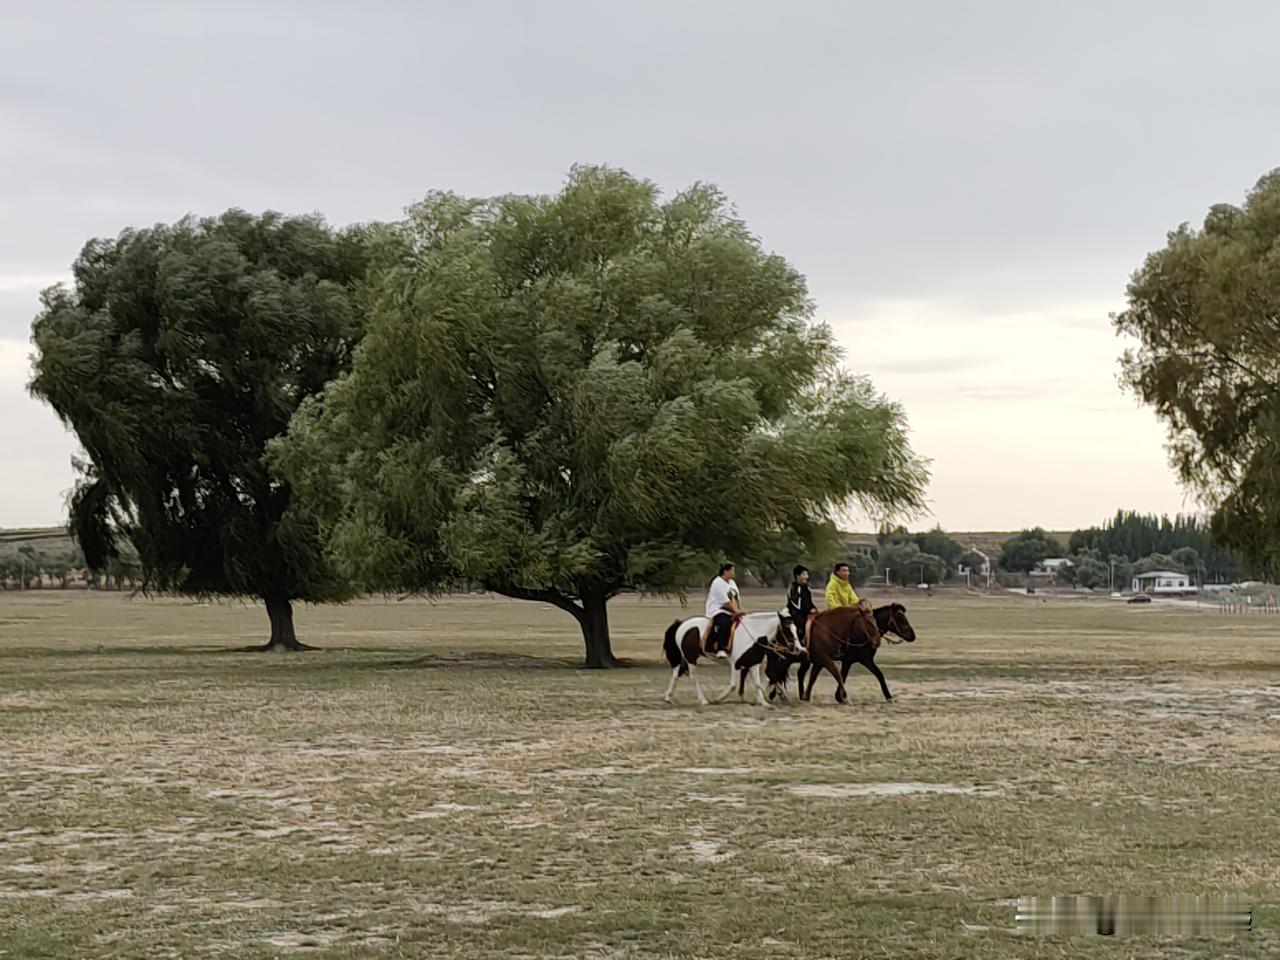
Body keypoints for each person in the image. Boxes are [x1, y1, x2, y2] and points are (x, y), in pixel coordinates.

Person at [704, 562, 742, 658]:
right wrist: (736, 611)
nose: (733, 573)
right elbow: (725, 602)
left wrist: (740, 609)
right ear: (725, 571)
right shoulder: (717, 583)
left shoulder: (732, 583)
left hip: (732, 609)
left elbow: (736, 597)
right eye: (731, 571)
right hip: (718, 609)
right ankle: (720, 648)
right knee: (725, 623)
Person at [786, 565, 816, 642]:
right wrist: (809, 609)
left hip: (805, 613)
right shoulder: (794, 588)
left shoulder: (806, 588)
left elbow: (809, 602)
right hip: (796, 614)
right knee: (801, 626)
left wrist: (813, 608)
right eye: (804, 574)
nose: (807, 577)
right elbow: (797, 604)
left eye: (807, 574)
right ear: (797, 576)